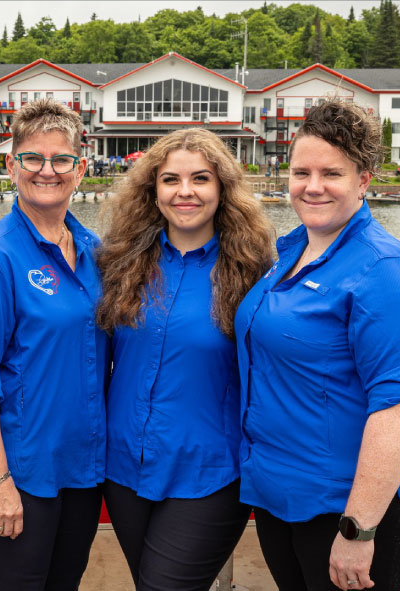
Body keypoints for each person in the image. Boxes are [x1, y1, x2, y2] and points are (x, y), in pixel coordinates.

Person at [234, 100, 400, 591]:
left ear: (364, 179)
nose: (312, 186)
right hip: (284, 489)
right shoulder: (291, 251)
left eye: (332, 173)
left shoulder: (388, 271)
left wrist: (359, 528)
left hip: (352, 502)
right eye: (301, 171)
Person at [95, 128, 274, 590]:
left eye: (201, 178)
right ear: (153, 190)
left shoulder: (256, 270)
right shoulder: (121, 263)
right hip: (124, 468)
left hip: (208, 473)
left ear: (222, 189)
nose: (185, 191)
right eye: (171, 179)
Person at [0, 98, 108, 591]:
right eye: (33, 159)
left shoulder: (94, 252)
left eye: (61, 160)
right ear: (13, 167)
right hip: (19, 469)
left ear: (79, 169)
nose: (47, 171)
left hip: (81, 467)